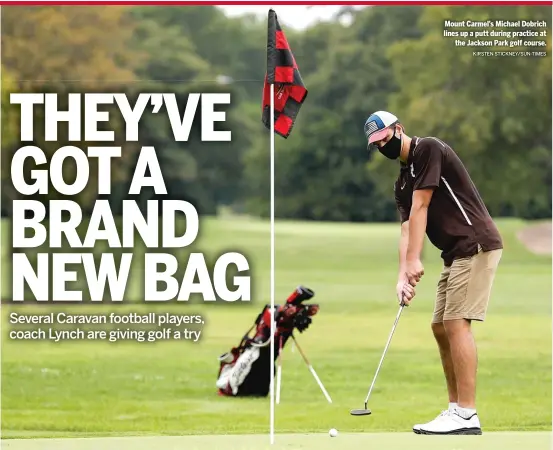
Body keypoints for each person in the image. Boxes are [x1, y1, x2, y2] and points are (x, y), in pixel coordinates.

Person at [364, 111, 503, 435]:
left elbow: (422, 207)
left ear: (399, 129)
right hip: (454, 253)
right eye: (377, 143)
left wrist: (415, 260)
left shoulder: (428, 149)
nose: (383, 145)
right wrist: (402, 275)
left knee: (456, 324)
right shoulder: (402, 182)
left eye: (385, 137)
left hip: (475, 243)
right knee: (440, 327)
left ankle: (467, 414)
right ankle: (455, 409)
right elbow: (406, 227)